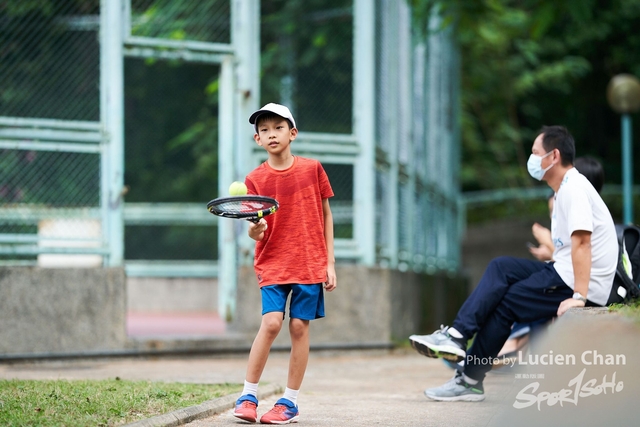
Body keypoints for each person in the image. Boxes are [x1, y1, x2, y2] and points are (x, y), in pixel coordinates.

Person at [409, 126, 618, 402]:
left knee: (505, 303)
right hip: (564, 272)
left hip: (581, 284)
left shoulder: (574, 188)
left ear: (553, 156)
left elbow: (582, 243)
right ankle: (457, 336)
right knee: (501, 267)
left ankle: (469, 380)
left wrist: (579, 296)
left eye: (535, 153)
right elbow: (570, 249)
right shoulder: (565, 188)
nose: (533, 159)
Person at [233, 103, 337, 424]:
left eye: (278, 127)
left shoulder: (312, 169)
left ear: (292, 133)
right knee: (272, 323)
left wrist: (329, 262)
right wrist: (255, 230)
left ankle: (288, 403)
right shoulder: (254, 179)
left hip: (309, 262)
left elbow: (326, 215)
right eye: (264, 130)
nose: (271, 134)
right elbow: (255, 229)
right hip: (273, 262)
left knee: (298, 327)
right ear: (257, 139)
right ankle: (248, 395)